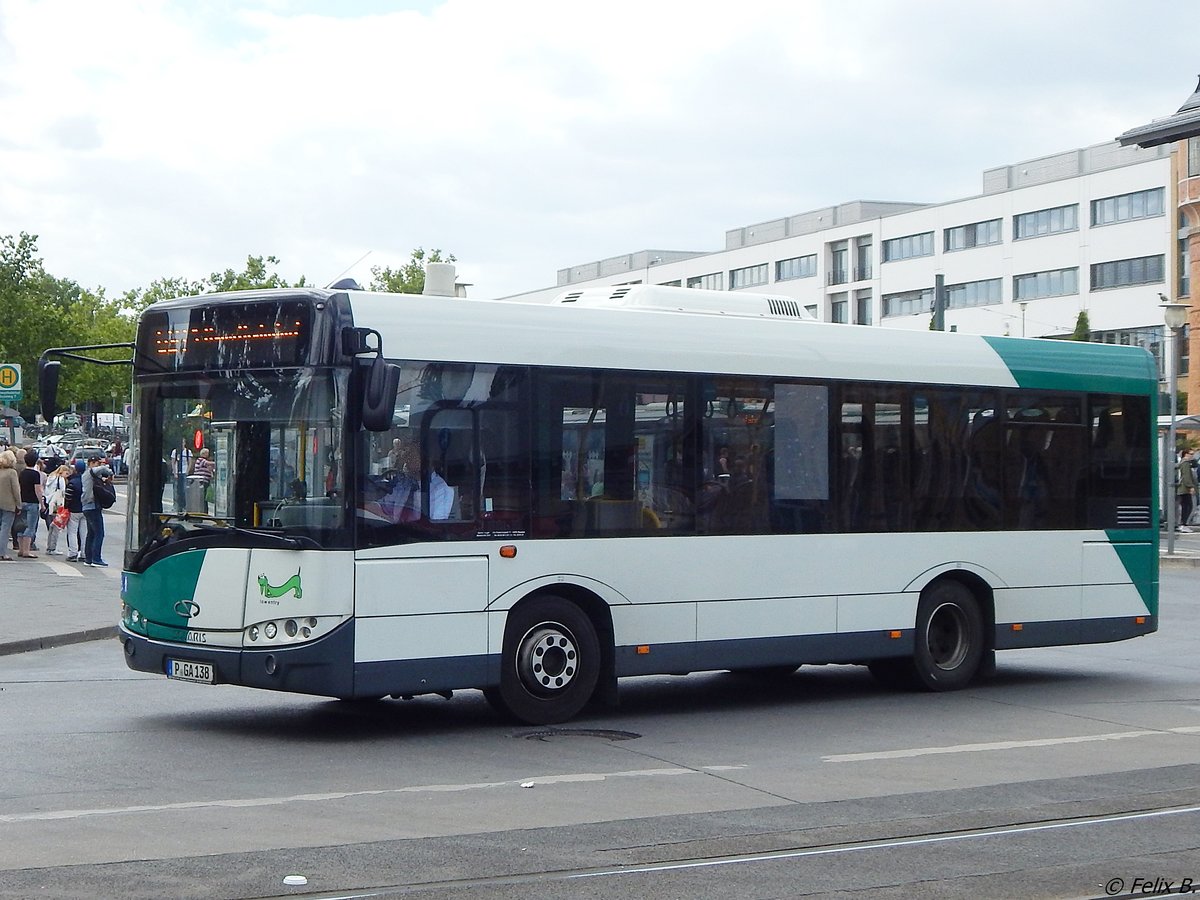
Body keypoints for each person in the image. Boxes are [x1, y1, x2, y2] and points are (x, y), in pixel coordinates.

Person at [81, 457, 113, 567]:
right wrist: (109, 471)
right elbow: (103, 470)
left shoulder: (87, 475)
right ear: (90, 463)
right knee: (99, 533)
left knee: (91, 533)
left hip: (87, 506)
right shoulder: (90, 472)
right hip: (93, 506)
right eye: (96, 463)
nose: (97, 465)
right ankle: (96, 558)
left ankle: (88, 559)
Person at [17, 450, 43, 558]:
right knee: (30, 526)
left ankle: (21, 549)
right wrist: (42, 502)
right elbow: (37, 490)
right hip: (32, 502)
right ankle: (27, 550)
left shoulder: (22, 473)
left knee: (21, 526)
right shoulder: (35, 474)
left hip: (22, 501)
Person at [44, 463, 71, 556]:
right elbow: (62, 492)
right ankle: (53, 547)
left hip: (49, 502)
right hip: (57, 504)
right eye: (66, 473)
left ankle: (49, 546)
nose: (67, 476)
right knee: (56, 526)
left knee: (51, 526)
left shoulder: (51, 477)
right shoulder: (60, 480)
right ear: (62, 472)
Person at [63, 459, 87, 562]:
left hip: (74, 510)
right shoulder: (86, 482)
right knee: (84, 532)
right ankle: (84, 553)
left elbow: (68, 497)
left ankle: (73, 553)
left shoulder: (72, 482)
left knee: (72, 532)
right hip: (85, 509)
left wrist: (66, 506)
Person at [0, 450, 20, 562]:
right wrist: (19, 504)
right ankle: (2, 552)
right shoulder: (12, 472)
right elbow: (16, 490)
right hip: (8, 504)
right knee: (5, 528)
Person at [1177, 448, 1197, 533]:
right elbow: (1186, 476)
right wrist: (1190, 486)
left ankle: (1183, 524)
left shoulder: (1185, 463)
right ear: (1186, 454)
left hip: (1183, 488)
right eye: (1191, 454)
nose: (1192, 456)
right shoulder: (1185, 463)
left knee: (1186, 506)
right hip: (1184, 489)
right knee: (1188, 506)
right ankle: (1183, 524)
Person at [170, 440, 192, 512]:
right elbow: (173, 462)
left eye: (183, 442)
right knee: (176, 490)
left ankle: (184, 506)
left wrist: (187, 472)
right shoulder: (175, 452)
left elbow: (190, 462)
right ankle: (176, 506)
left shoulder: (188, 452)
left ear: (184, 443)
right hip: (177, 472)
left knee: (184, 490)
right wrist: (175, 473)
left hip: (184, 472)